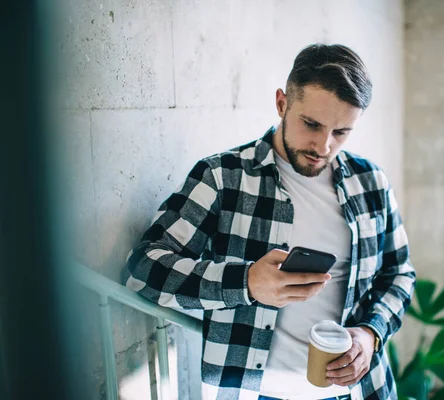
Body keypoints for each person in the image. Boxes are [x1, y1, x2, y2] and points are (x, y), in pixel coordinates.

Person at [123, 43, 416, 400]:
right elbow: (142, 270)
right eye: (311, 124)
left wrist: (371, 334)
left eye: (341, 132)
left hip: (360, 393)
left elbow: (399, 274)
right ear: (282, 103)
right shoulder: (222, 177)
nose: (323, 146)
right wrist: (246, 282)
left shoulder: (371, 182)